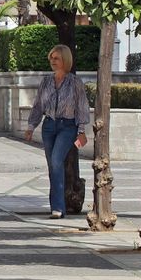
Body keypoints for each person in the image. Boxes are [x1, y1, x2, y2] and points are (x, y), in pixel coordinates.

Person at [22, 43, 90, 219]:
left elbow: (82, 107)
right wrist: (31, 126)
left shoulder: (75, 82)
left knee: (56, 161)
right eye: (51, 58)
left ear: (65, 60)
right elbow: (38, 105)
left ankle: (58, 208)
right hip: (49, 125)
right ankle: (57, 206)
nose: (53, 61)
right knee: (53, 166)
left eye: (56, 58)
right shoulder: (46, 81)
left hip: (68, 127)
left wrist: (81, 130)